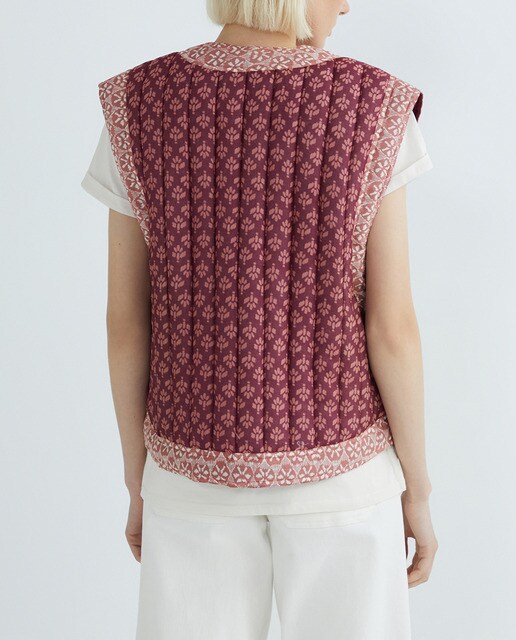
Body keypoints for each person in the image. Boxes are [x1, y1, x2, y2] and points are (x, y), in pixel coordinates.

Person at [81, 1, 438, 638]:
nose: (346, 4)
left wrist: (139, 479)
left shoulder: (140, 103)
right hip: (345, 479)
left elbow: (125, 324)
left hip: (189, 477)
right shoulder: (373, 104)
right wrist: (418, 488)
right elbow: (393, 329)